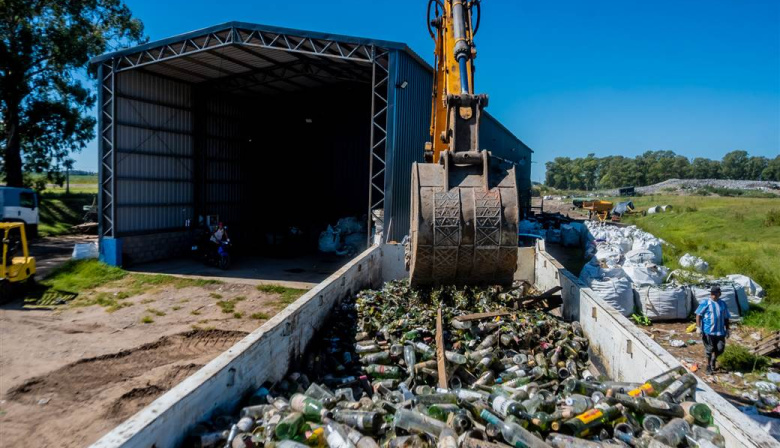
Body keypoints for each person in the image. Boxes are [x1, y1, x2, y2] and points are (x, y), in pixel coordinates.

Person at [695, 286, 730, 374]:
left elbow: (726, 317)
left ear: (719, 294)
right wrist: (698, 327)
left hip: (720, 332)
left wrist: (727, 329)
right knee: (709, 350)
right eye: (712, 294)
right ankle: (708, 366)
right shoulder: (705, 303)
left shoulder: (723, 304)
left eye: (715, 294)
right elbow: (698, 315)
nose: (713, 295)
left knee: (720, 349)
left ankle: (714, 359)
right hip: (708, 331)